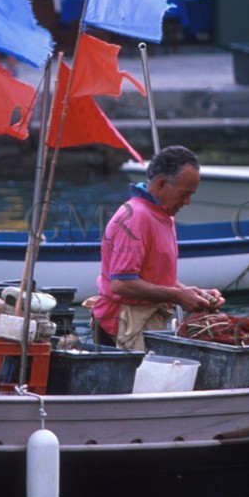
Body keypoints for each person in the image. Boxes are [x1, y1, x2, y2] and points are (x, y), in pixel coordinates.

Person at [90, 146, 224, 351]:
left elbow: (154, 275)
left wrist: (193, 293)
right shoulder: (136, 216)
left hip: (146, 319)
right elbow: (121, 283)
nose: (187, 202)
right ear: (161, 183)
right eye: (183, 194)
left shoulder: (162, 215)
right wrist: (178, 296)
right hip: (121, 324)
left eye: (191, 195)